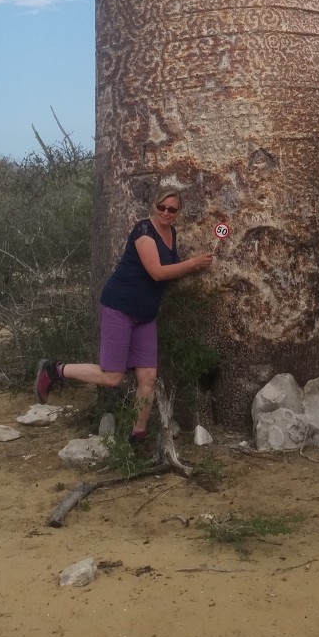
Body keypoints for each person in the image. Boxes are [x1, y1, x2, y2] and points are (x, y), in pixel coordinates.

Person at [34, 189, 213, 445]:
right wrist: (193, 264)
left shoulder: (171, 233)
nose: (165, 212)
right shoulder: (144, 231)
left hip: (145, 314)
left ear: (178, 212)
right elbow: (157, 272)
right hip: (121, 307)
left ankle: (137, 437)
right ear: (154, 206)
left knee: (148, 376)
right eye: (161, 207)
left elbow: (169, 269)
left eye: (172, 209)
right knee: (112, 377)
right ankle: (54, 370)